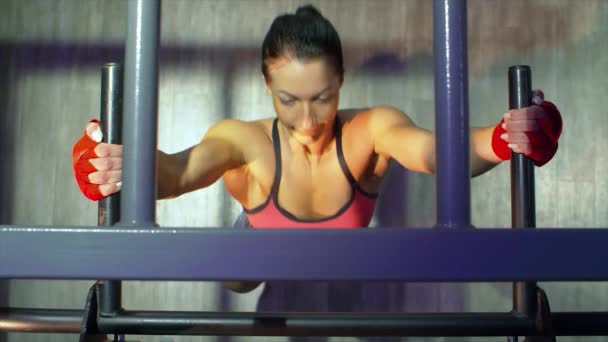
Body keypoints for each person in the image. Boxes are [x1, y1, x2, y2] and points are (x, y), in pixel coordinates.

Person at [73, 5, 562, 304]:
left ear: (341, 81)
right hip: (254, 270)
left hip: (342, 269)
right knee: (245, 282)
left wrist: (504, 139)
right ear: (267, 86)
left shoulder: (369, 128)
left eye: (323, 98)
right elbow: (178, 172)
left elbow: (434, 151)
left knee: (353, 294)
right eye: (289, 100)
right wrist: (119, 163)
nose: (307, 122)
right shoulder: (245, 141)